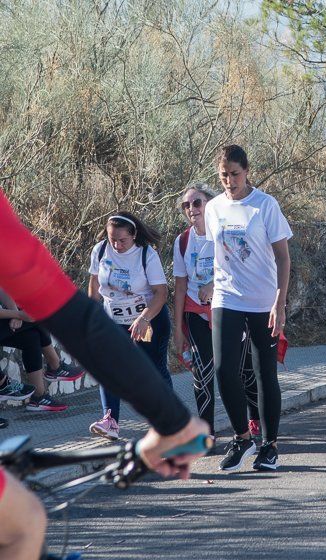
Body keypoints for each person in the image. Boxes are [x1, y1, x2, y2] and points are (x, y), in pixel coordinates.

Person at [0, 188, 209, 558]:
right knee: (26, 521)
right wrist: (173, 423)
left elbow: (155, 294)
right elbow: (76, 318)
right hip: (113, 324)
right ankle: (116, 418)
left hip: (143, 320)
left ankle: (114, 418)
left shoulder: (145, 254)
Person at [204, 145, 291, 472]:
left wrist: (279, 303)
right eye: (224, 175)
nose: (229, 181)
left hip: (263, 301)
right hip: (227, 297)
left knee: (263, 373)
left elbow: (283, 257)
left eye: (235, 174)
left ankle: (269, 446)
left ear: (247, 171)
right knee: (224, 369)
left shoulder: (264, 206)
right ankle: (242, 437)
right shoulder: (213, 208)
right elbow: (219, 253)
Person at [172, 184, 261, 439]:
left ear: (210, 204)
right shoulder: (183, 241)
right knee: (203, 373)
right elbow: (179, 288)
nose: (192, 209)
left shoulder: (223, 232)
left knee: (243, 370)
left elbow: (241, 267)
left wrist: (214, 284)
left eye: (197, 203)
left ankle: (254, 416)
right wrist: (178, 329)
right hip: (196, 312)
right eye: (186, 205)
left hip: (231, 308)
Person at [88, 212, 171, 439]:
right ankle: (110, 421)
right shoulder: (101, 250)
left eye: (122, 240)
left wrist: (144, 318)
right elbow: (94, 283)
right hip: (114, 320)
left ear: (134, 235)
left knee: (154, 370)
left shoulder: (146, 254)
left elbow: (161, 293)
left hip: (148, 319)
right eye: (112, 238)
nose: (117, 244)